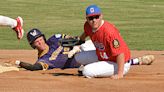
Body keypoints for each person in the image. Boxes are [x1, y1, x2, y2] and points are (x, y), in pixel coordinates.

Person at [74, 4, 155, 79]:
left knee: (87, 71)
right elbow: (87, 32)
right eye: (91, 18)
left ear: (101, 16)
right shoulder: (87, 25)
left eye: (96, 17)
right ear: (87, 19)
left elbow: (120, 53)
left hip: (118, 62)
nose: (94, 20)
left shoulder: (109, 32)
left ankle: (127, 65)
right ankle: (136, 61)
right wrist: (80, 40)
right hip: (104, 55)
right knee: (78, 57)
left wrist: (120, 74)